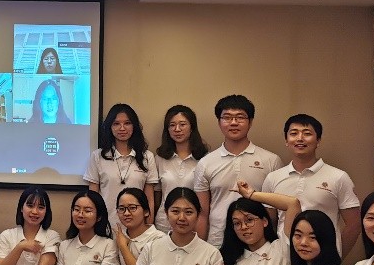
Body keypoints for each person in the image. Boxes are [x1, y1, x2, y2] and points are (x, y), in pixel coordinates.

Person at [261, 113, 360, 256]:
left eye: (307, 133)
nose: (300, 138)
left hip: (323, 259)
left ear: (318, 140)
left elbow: (354, 224)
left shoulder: (338, 177)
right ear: (286, 140)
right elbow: (270, 222)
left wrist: (335, 256)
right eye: (294, 133)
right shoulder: (273, 178)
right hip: (284, 259)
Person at [193, 95, 283, 247]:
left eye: (240, 117)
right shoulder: (206, 163)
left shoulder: (271, 161)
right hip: (218, 242)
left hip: (259, 244)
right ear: (219, 122)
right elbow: (202, 213)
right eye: (227, 117)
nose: (233, 122)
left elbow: (276, 212)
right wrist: (199, 248)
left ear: (250, 122)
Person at [85, 103, 159, 217]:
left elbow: (149, 199)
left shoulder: (147, 157)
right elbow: (92, 198)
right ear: (110, 127)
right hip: (106, 222)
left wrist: (148, 225)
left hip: (137, 223)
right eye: (116, 124)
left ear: (134, 126)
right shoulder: (97, 156)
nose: (122, 128)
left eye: (127, 123)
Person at [154, 104, 209, 232]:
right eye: (172, 125)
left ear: (192, 127)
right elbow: (157, 195)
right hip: (164, 224)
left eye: (182, 124)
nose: (177, 129)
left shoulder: (205, 159)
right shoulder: (160, 158)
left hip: (193, 224)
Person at [56, 190, 119, 265]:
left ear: (99, 217)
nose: (80, 215)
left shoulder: (108, 245)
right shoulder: (64, 245)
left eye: (87, 211)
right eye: (76, 210)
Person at [111, 187, 165, 265]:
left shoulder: (158, 239)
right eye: (121, 209)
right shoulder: (120, 236)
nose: (126, 213)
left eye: (132, 208)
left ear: (146, 212)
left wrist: (123, 247)